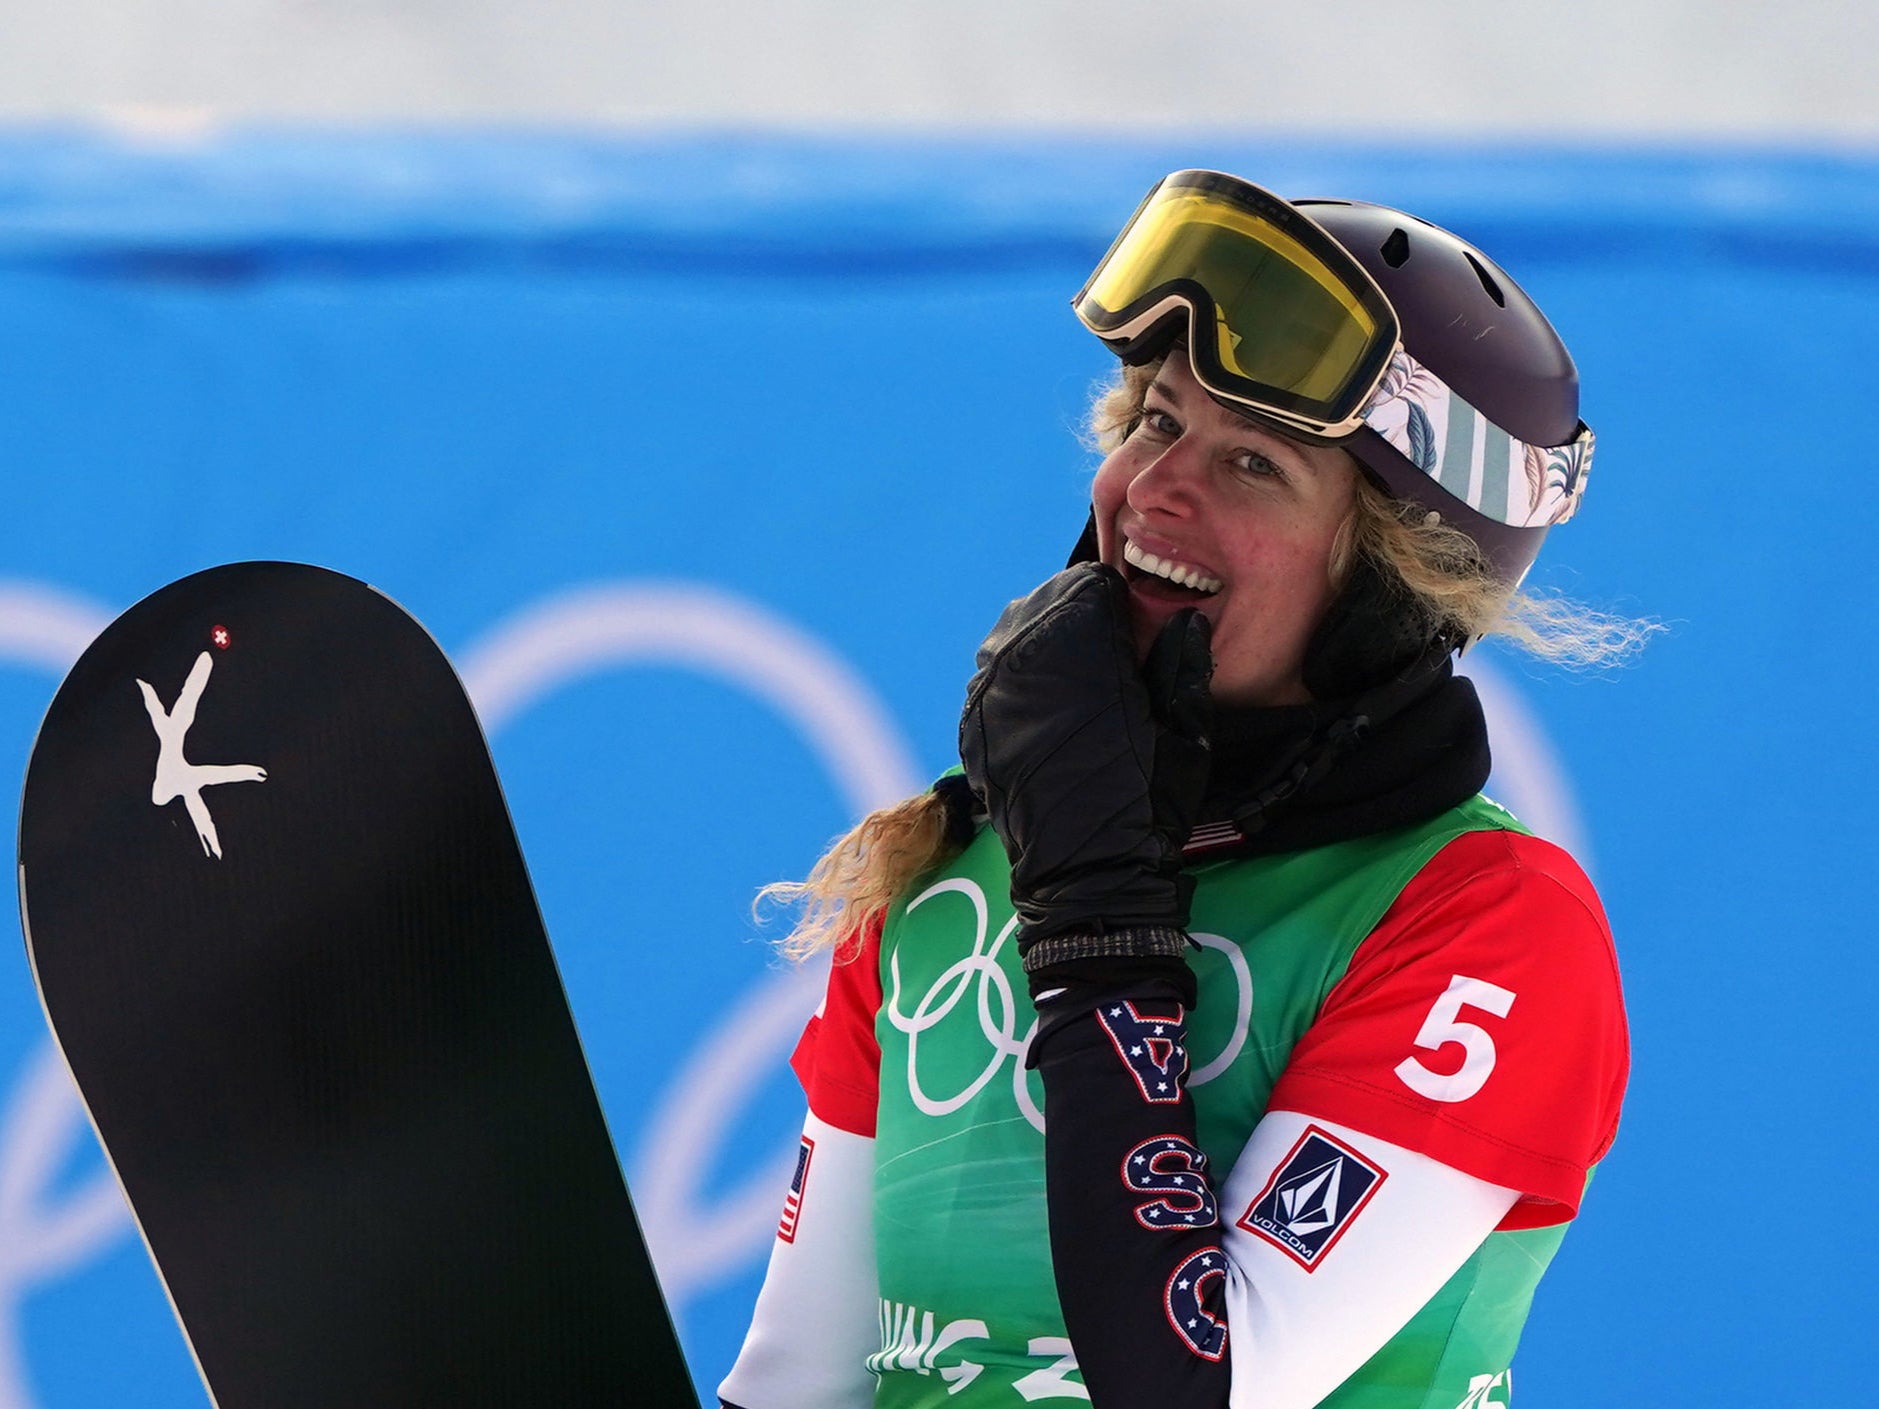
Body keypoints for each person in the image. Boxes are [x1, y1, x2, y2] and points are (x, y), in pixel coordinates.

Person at [718, 169, 1645, 1409]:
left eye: (1254, 464)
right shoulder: (962, 849)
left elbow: (1202, 1390)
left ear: (1393, 575)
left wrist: (1096, 927)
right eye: (1155, 420)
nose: (1152, 489)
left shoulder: (1489, 923)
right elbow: (794, 1386)